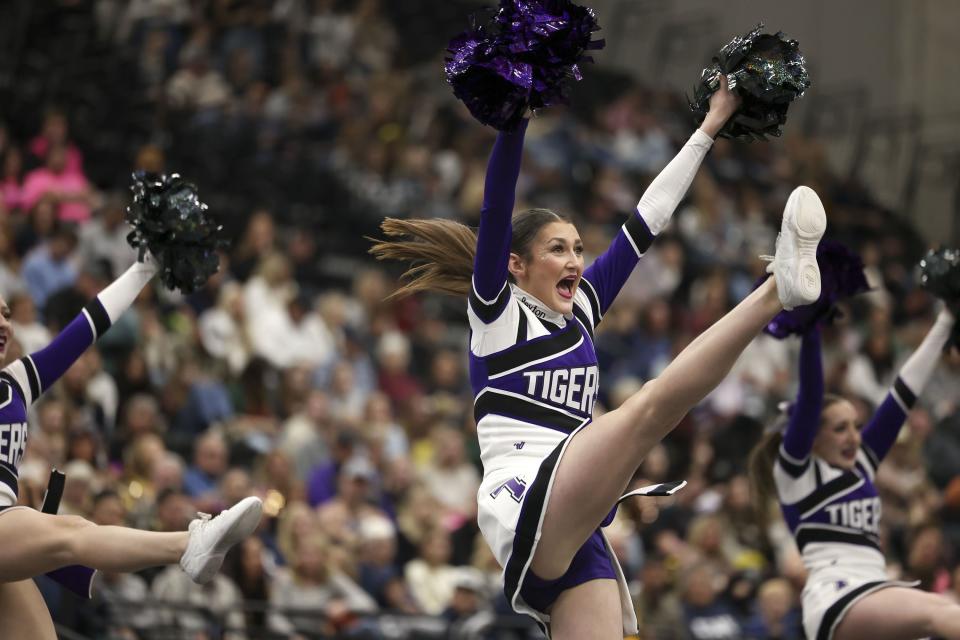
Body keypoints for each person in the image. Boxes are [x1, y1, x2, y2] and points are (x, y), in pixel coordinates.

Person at [372, 76, 827, 639]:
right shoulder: (495, 313)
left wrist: (710, 126)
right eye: (558, 249)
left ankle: (777, 287)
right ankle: (773, 292)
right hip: (526, 491)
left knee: (648, 415)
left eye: (579, 249)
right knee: (650, 409)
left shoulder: (582, 309)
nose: (575, 261)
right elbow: (496, 206)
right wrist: (516, 116)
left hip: (576, 519)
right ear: (516, 264)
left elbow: (647, 219)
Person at [0, 253, 263, 639]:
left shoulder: (16, 382)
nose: (3, 323)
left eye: (6, 313)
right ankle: (188, 544)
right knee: (73, 533)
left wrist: (143, 269)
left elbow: (86, 328)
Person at [748, 304, 960, 639]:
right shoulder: (796, 476)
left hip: (871, 590)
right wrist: (812, 328)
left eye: (856, 426)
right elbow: (810, 398)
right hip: (838, 595)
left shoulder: (861, 465)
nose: (854, 437)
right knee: (943, 611)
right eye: (840, 428)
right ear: (813, 438)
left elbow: (904, 393)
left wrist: (946, 320)